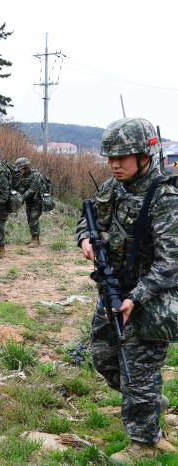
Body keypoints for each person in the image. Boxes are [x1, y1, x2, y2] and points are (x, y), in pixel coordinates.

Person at [75, 117, 178, 463]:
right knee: (104, 358)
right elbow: (87, 217)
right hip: (113, 290)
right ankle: (148, 402)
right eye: (111, 158)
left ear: (145, 155)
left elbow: (171, 261)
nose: (115, 165)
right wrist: (86, 238)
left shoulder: (164, 197)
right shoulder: (111, 188)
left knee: (140, 369)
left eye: (124, 157)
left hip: (151, 298)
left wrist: (138, 296)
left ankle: (145, 444)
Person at [14, 157, 46, 246]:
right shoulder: (23, 176)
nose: (20, 170)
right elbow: (19, 187)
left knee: (33, 218)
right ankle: (34, 238)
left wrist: (22, 197)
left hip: (37, 201)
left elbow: (32, 189)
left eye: (20, 168)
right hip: (29, 201)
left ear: (25, 167)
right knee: (29, 219)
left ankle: (35, 240)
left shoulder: (36, 175)